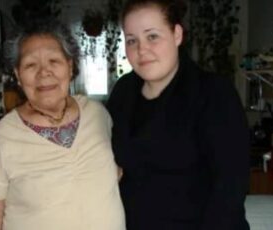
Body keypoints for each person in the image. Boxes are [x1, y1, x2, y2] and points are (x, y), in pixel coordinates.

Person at [106, 0, 250, 229]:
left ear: (177, 35)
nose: (141, 50)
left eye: (152, 36)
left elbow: (229, 190)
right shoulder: (123, 92)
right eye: (132, 40)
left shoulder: (213, 93)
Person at [0, 20, 125, 230]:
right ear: (18, 75)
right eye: (30, 65)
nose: (44, 72)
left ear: (70, 67)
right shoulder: (0, 138)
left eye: (54, 61)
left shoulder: (98, 114)